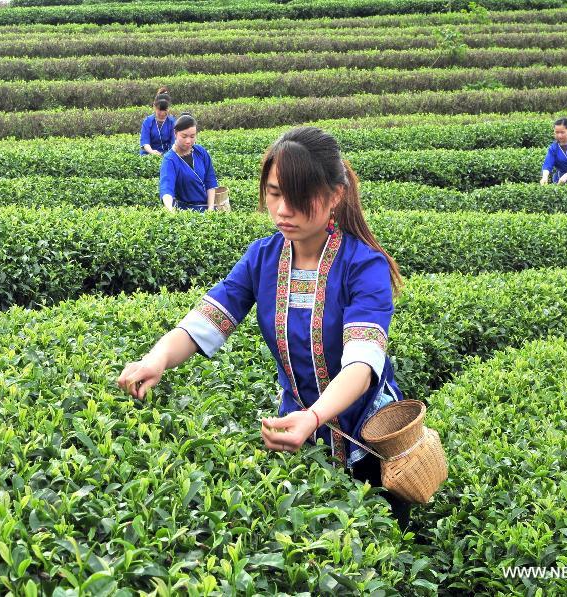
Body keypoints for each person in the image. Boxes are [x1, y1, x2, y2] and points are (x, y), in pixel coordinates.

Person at [120, 126, 411, 526]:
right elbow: (207, 319)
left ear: (335, 196)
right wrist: (156, 360)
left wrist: (314, 416)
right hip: (296, 433)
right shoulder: (263, 257)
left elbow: (361, 367)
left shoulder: (363, 266)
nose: (283, 209)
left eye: (298, 195)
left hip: (369, 439)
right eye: (274, 193)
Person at [159, 112, 218, 212]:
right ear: (175, 133)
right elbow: (166, 188)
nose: (188, 141)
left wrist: (211, 208)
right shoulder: (170, 160)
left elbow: (210, 181)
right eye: (184, 136)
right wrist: (170, 209)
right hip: (186, 213)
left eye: (192, 136)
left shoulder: (200, 152)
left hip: (207, 209)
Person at [140, 87, 175, 156]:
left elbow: (174, 142)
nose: (162, 113)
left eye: (165, 110)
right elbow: (145, 141)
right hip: (149, 155)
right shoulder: (148, 121)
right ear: (154, 106)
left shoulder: (172, 122)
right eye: (159, 110)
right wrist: (152, 152)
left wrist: (168, 155)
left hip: (167, 155)